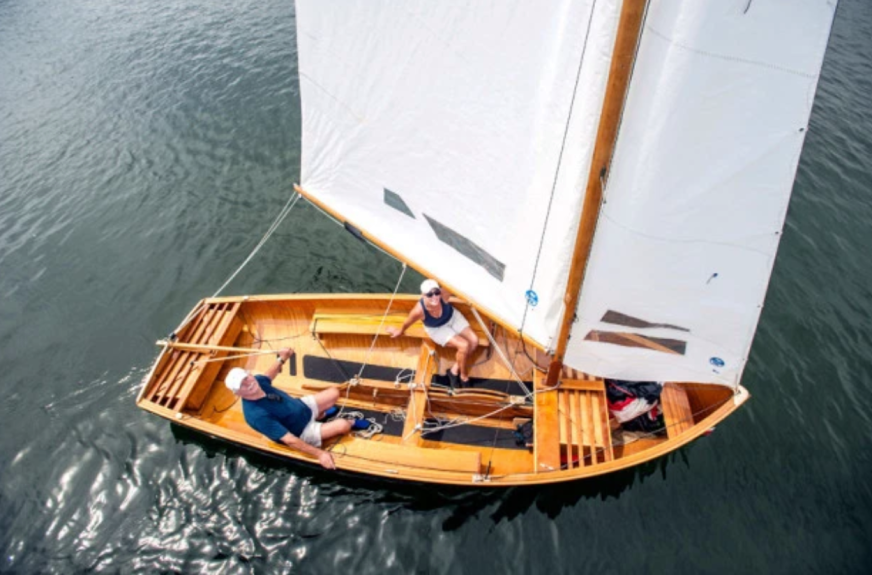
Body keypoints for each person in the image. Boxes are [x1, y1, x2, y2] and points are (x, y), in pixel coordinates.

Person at [224, 347, 369, 469]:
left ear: (249, 375)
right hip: (301, 431)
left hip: (302, 407)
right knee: (343, 425)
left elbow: (269, 374)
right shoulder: (256, 416)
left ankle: (320, 415)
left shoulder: (257, 381)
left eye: (246, 378)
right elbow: (290, 440)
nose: (248, 383)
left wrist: (282, 358)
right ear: (237, 393)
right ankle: (350, 422)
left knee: (334, 393)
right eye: (241, 385)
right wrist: (320, 455)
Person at [386, 279, 478, 387]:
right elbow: (408, 322)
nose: (434, 297)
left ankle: (453, 371)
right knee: (464, 345)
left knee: (474, 341)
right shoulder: (419, 311)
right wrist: (400, 331)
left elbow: (459, 282)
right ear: (423, 295)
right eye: (429, 294)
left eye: (436, 292)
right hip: (437, 328)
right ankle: (463, 376)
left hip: (453, 317)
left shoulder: (444, 294)